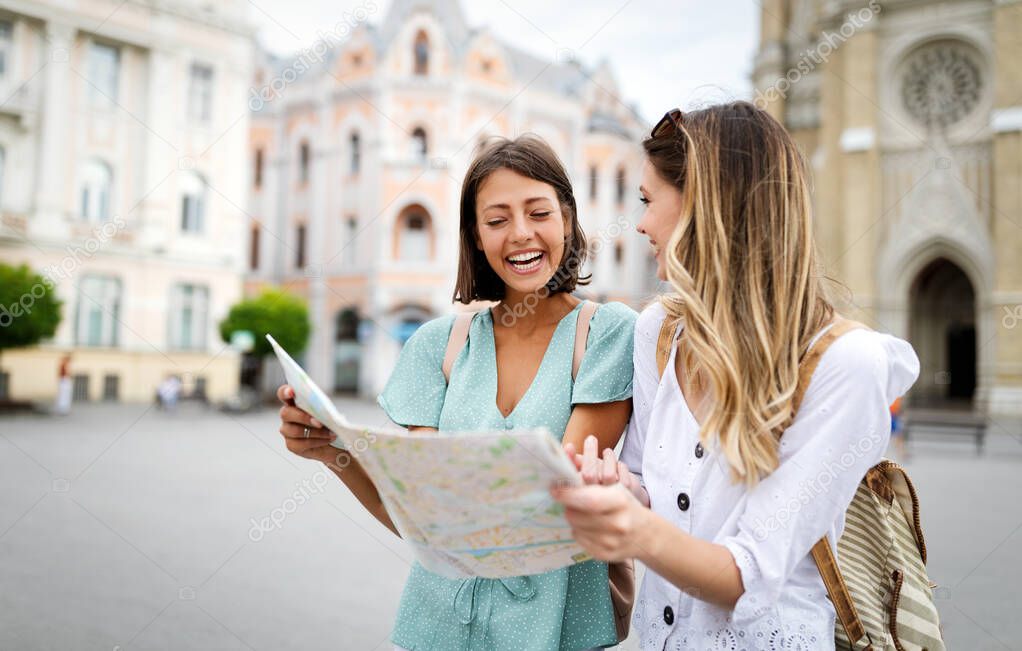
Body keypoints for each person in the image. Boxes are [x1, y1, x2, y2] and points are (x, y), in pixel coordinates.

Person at [551, 101, 920, 650]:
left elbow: (745, 577)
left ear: (709, 205)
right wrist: (617, 488)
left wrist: (630, 527)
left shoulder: (846, 364)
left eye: (650, 202)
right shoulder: (658, 332)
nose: (642, 223)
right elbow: (648, 489)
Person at [276, 135, 637, 651]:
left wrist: (445, 497)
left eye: (538, 213)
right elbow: (426, 523)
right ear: (475, 235)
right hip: (437, 627)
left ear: (566, 218)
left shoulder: (608, 334)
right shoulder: (436, 345)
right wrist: (331, 449)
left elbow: (553, 507)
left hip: (554, 633)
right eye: (496, 220)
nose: (520, 234)